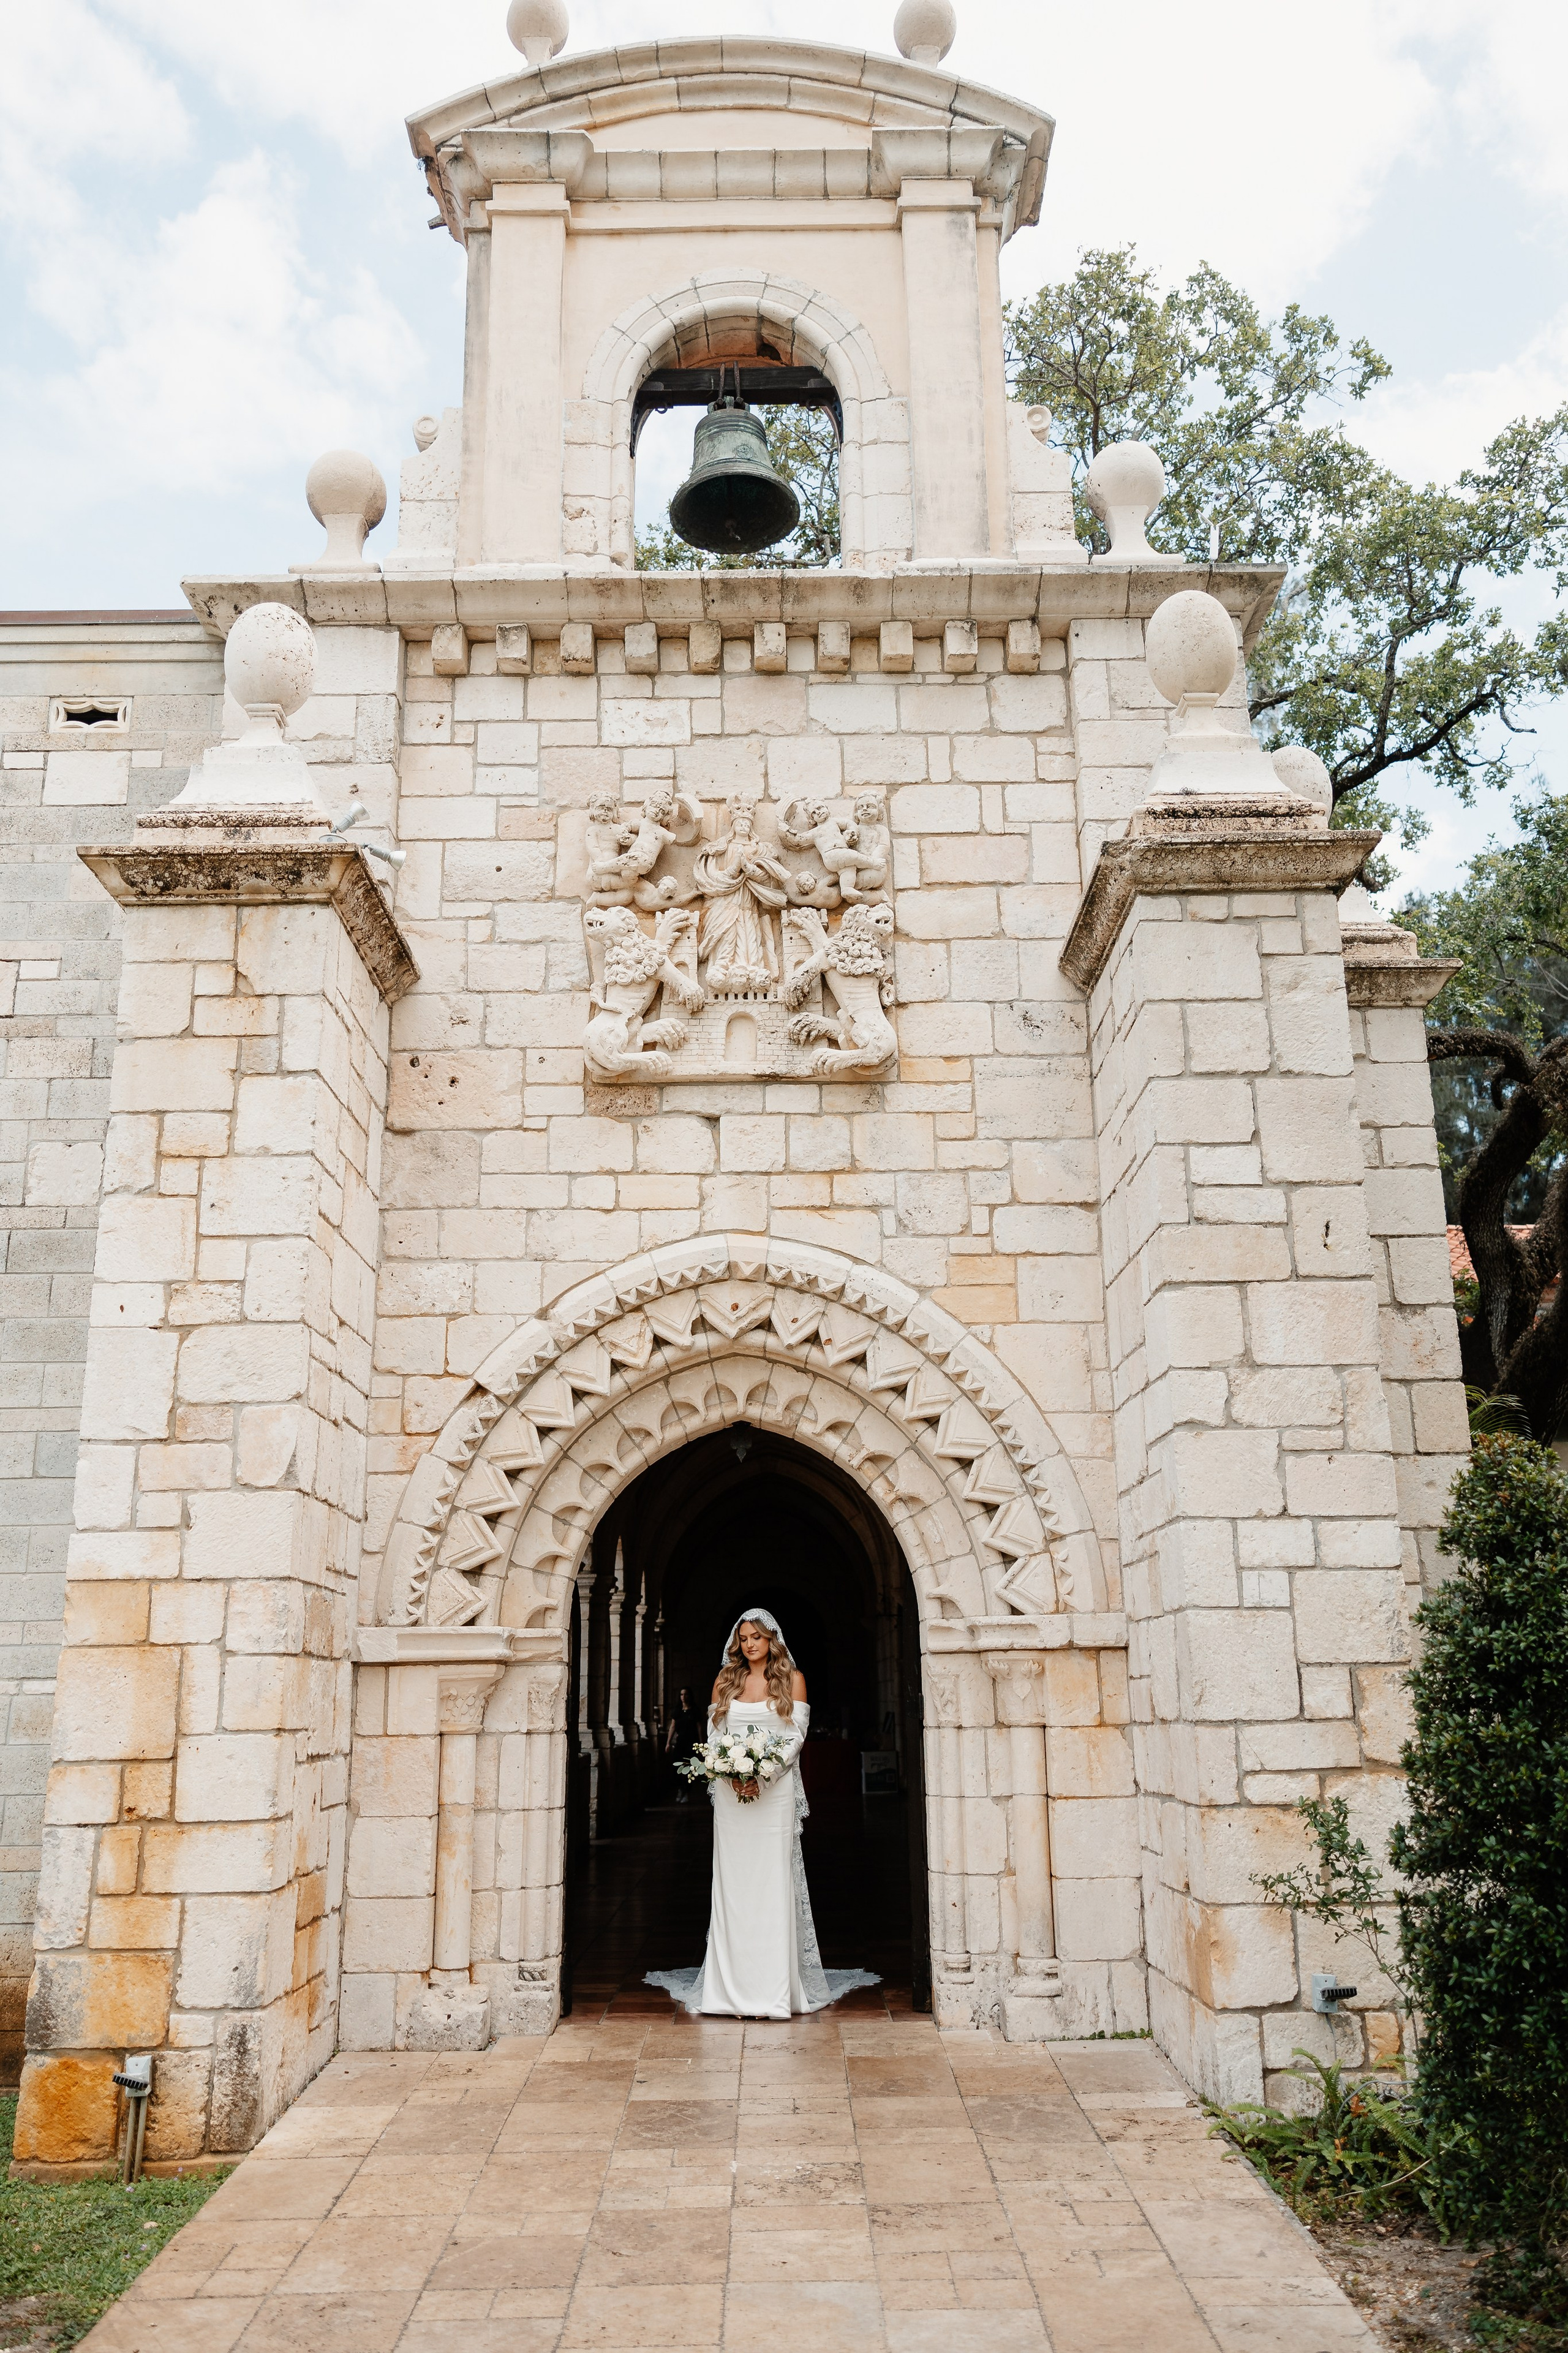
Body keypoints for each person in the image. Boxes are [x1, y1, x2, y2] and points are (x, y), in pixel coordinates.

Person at [645, 1608, 881, 2019]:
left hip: (775, 1795)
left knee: (773, 1882)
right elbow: (715, 1735)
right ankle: (728, 1990)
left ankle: (774, 1990)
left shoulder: (793, 1679)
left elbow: (796, 1735)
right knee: (734, 1884)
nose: (749, 1643)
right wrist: (734, 1773)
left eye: (757, 1636)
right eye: (744, 1637)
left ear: (773, 1638)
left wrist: (763, 1773)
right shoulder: (725, 1680)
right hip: (731, 1794)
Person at [665, 1686, 704, 1802]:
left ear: (690, 1696)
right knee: (677, 1768)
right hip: (680, 1743)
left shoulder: (695, 1711)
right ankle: (680, 1790)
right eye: (682, 1695)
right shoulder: (677, 1711)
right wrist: (668, 1743)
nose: (684, 1697)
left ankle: (686, 1791)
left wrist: (701, 1745)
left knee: (689, 1769)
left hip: (691, 1744)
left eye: (686, 1694)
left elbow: (699, 1728)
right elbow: (673, 1727)